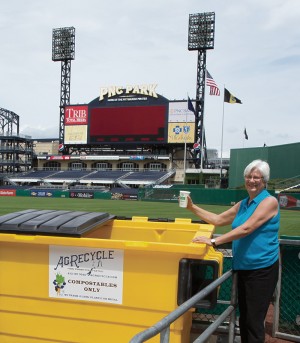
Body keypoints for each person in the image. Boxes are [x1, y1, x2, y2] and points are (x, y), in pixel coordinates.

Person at [185, 159, 279, 343]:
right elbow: (218, 219)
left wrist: (213, 241)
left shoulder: (269, 202)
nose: (252, 180)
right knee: (244, 320)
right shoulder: (244, 203)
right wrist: (192, 207)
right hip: (244, 267)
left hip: (261, 270)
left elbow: (246, 228)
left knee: (253, 322)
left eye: (256, 177)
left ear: (264, 180)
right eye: (249, 176)